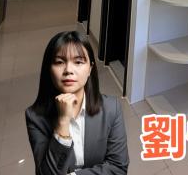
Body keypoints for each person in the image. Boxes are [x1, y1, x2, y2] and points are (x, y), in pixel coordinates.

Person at [25, 31, 129, 174]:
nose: (68, 70)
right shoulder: (35, 116)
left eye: (78, 62)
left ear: (90, 68)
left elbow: (118, 168)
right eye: (59, 62)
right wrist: (62, 122)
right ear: (49, 69)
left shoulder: (111, 108)